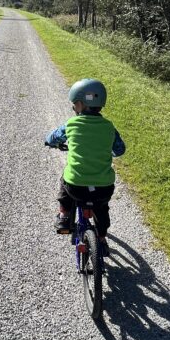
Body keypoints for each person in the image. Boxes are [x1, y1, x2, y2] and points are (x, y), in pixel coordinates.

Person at [44, 78, 125, 247]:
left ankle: (64, 216)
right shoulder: (109, 127)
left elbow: (53, 138)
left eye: (74, 104)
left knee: (65, 183)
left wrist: (49, 141)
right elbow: (119, 150)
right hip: (103, 188)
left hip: (76, 188)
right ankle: (101, 239)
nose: (73, 107)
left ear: (80, 104)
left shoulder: (71, 124)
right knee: (101, 209)